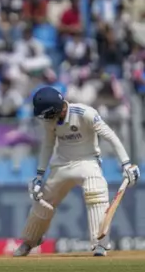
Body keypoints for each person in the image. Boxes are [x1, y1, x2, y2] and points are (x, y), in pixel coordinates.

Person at [14, 86, 141, 257]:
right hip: (62, 165)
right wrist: (39, 175)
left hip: (88, 162)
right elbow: (47, 145)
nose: (45, 118)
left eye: (46, 114)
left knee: (96, 192)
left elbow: (110, 136)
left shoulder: (85, 113)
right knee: (42, 200)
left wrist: (126, 164)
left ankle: (99, 245)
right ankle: (29, 241)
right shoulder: (50, 121)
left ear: (56, 109)